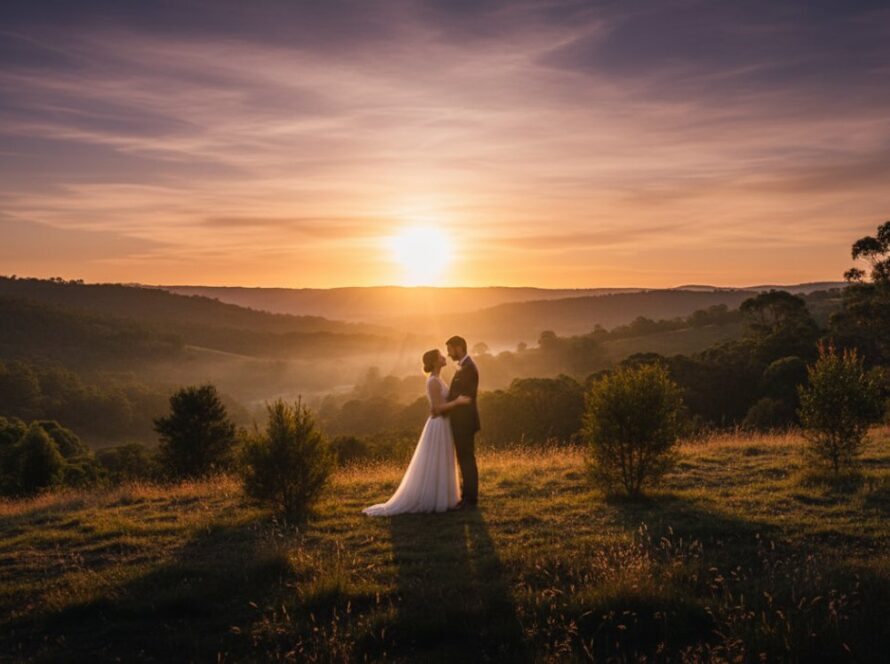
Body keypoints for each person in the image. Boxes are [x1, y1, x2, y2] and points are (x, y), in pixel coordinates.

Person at [362, 348, 470, 516]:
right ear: (435, 361)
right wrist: (457, 402)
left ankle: (443, 498)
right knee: (436, 461)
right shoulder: (433, 381)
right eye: (441, 356)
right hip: (438, 425)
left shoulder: (438, 379)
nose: (444, 357)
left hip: (443, 424)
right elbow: (436, 408)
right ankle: (434, 500)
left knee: (441, 460)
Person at [439, 335, 480, 509]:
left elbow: (466, 396)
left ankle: (470, 499)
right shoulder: (463, 367)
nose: (448, 354)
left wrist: (447, 405)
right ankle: (466, 496)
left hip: (464, 422)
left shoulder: (469, 367)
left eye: (450, 350)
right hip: (460, 422)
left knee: (466, 459)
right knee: (464, 459)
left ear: (459, 347)